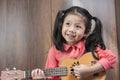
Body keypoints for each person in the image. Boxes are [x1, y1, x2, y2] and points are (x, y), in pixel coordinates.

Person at [31, 6, 117, 80]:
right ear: (62, 26)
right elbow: (53, 77)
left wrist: (89, 70)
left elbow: (111, 59)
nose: (71, 30)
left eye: (78, 26)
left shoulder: (89, 45)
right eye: (68, 24)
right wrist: (41, 78)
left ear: (86, 32)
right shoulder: (55, 50)